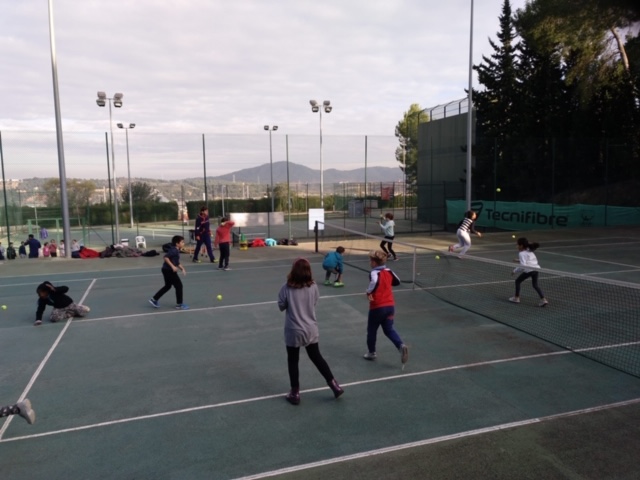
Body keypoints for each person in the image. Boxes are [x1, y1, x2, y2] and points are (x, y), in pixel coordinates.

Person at [278, 257, 344, 405]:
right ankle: (334, 385)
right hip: (310, 328)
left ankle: (295, 393)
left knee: (293, 360)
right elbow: (314, 302)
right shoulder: (313, 286)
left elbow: (281, 306)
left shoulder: (286, 287)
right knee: (316, 357)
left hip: (293, 329)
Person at [363, 250, 408, 365]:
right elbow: (397, 281)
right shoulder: (389, 271)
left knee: (372, 330)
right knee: (388, 329)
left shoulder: (374, 273)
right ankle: (401, 345)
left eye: (370, 261)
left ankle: (371, 353)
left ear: (374, 262)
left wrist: (368, 292)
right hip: (390, 307)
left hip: (377, 307)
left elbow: (374, 282)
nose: (370, 262)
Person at [149, 235, 189, 310]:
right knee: (179, 286)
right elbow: (166, 257)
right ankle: (179, 304)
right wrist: (173, 266)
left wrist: (182, 269)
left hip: (166, 270)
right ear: (177, 244)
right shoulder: (173, 250)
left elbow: (176, 262)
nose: (183, 243)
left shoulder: (176, 250)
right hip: (169, 271)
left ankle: (154, 299)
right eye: (182, 242)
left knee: (168, 286)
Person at [509, 237, 549, 307]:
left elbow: (523, 266)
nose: (516, 246)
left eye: (517, 245)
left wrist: (514, 270)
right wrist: (518, 260)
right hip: (536, 269)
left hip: (529, 270)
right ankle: (543, 300)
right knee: (535, 285)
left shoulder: (521, 253)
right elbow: (530, 260)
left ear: (521, 246)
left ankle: (516, 298)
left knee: (517, 281)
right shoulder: (529, 251)